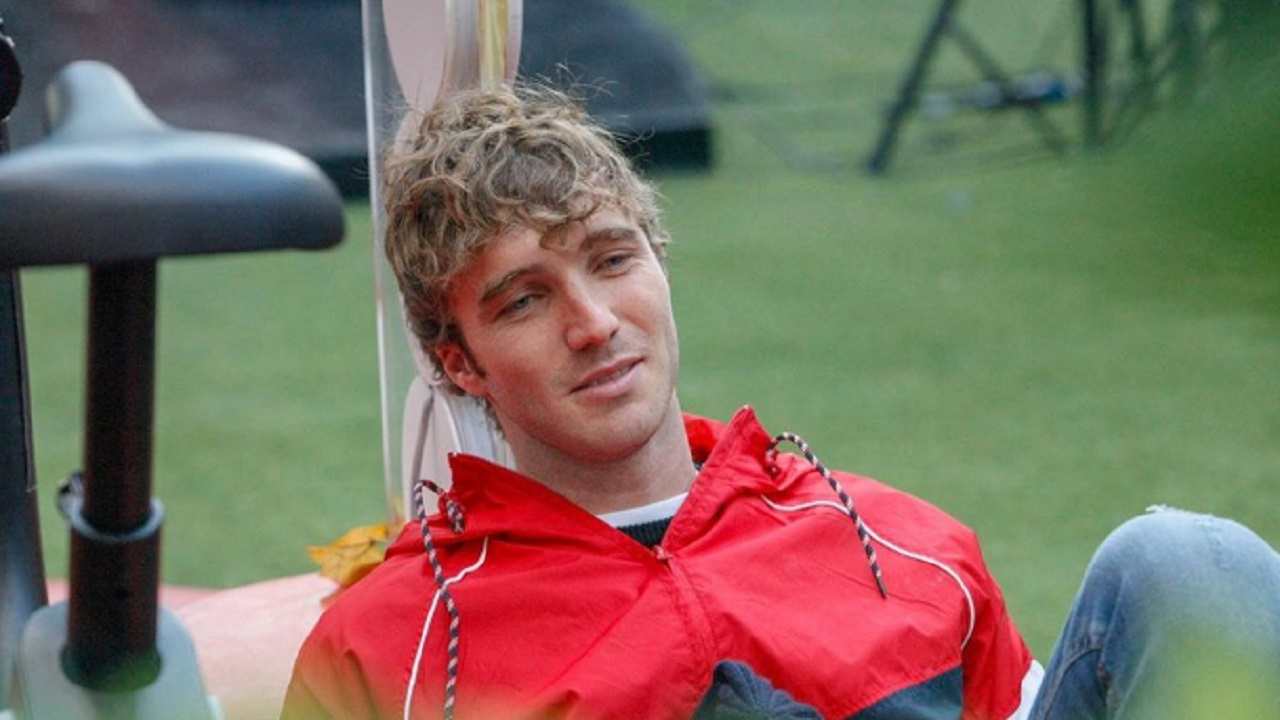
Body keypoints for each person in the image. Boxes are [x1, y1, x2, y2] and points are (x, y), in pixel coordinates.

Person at [282, 85, 1280, 720]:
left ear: (660, 263)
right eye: (525, 301)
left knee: (1186, 563)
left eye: (613, 260)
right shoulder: (391, 642)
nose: (593, 324)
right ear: (457, 361)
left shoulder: (897, 542)